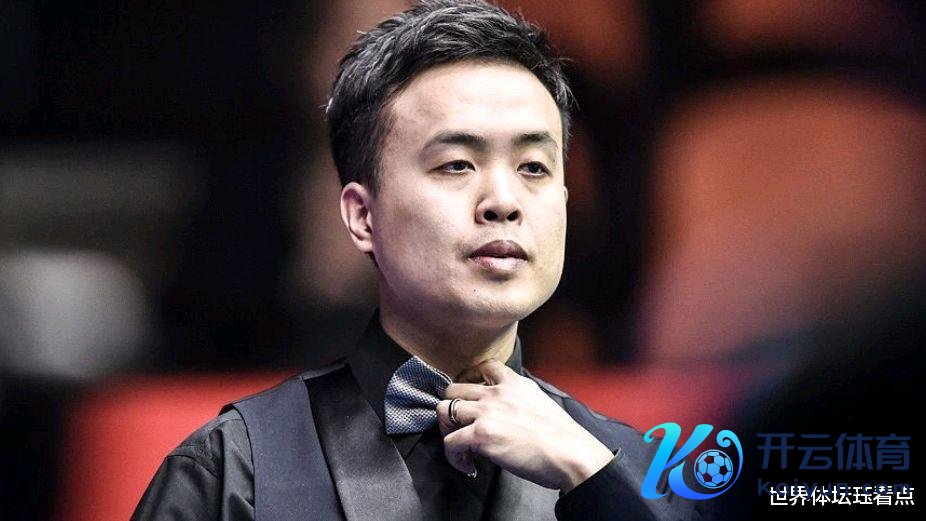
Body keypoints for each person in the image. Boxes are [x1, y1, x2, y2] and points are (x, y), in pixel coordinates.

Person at [132, 1, 703, 519]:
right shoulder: (232, 470)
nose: (503, 201)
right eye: (456, 165)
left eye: (533, 167)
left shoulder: (632, 469)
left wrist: (592, 478)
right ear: (362, 216)